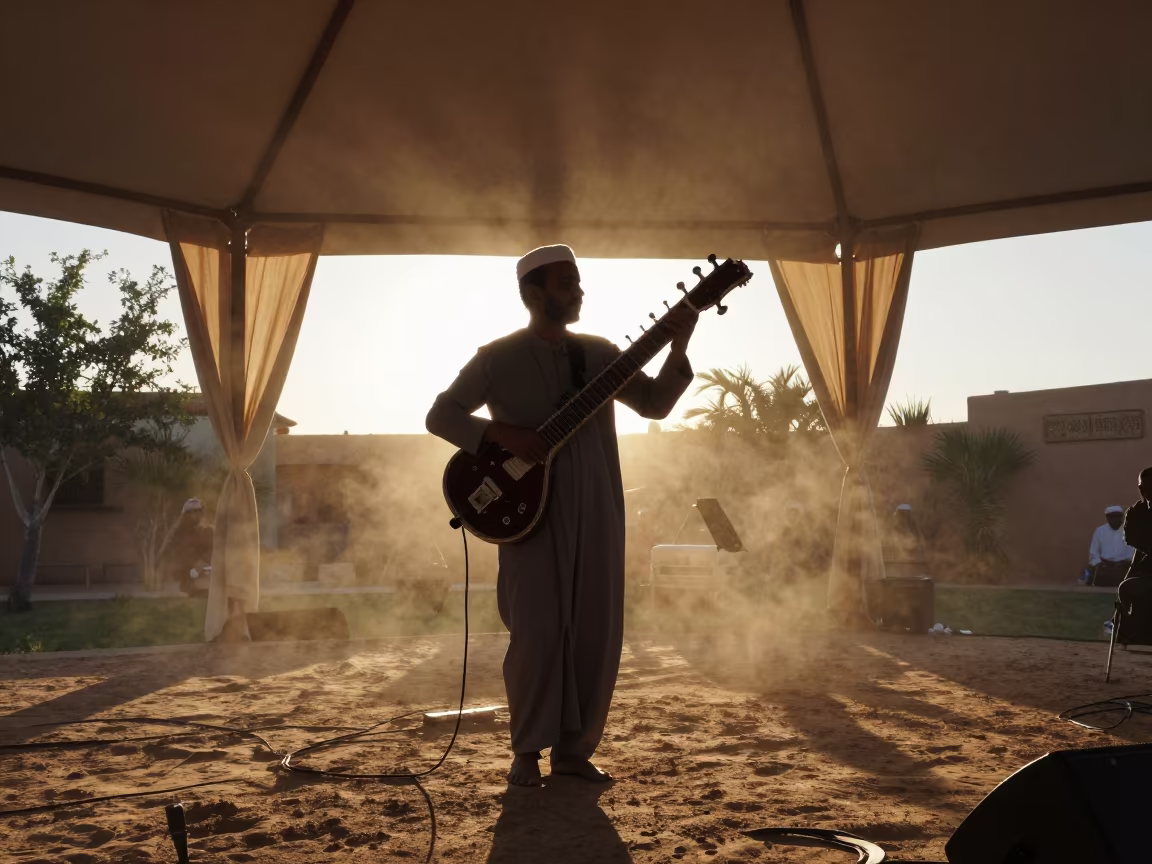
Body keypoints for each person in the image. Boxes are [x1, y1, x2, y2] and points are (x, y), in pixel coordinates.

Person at [425, 244, 697, 787]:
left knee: (596, 628)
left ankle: (574, 752)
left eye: (578, 283)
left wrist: (680, 342)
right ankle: (527, 751)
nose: (577, 293)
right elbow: (441, 415)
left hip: (597, 506)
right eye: (565, 284)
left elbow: (656, 404)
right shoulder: (496, 358)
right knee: (537, 631)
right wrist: (506, 435)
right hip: (527, 515)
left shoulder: (600, 356)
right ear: (533, 293)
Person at [1089, 505, 1134, 587]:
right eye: (1113, 517)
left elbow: (1132, 552)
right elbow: (1094, 552)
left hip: (1123, 566)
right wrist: (1099, 564)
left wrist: (1124, 562)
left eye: (1118, 516)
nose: (1116, 519)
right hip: (1105, 566)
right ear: (1108, 518)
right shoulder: (1100, 531)